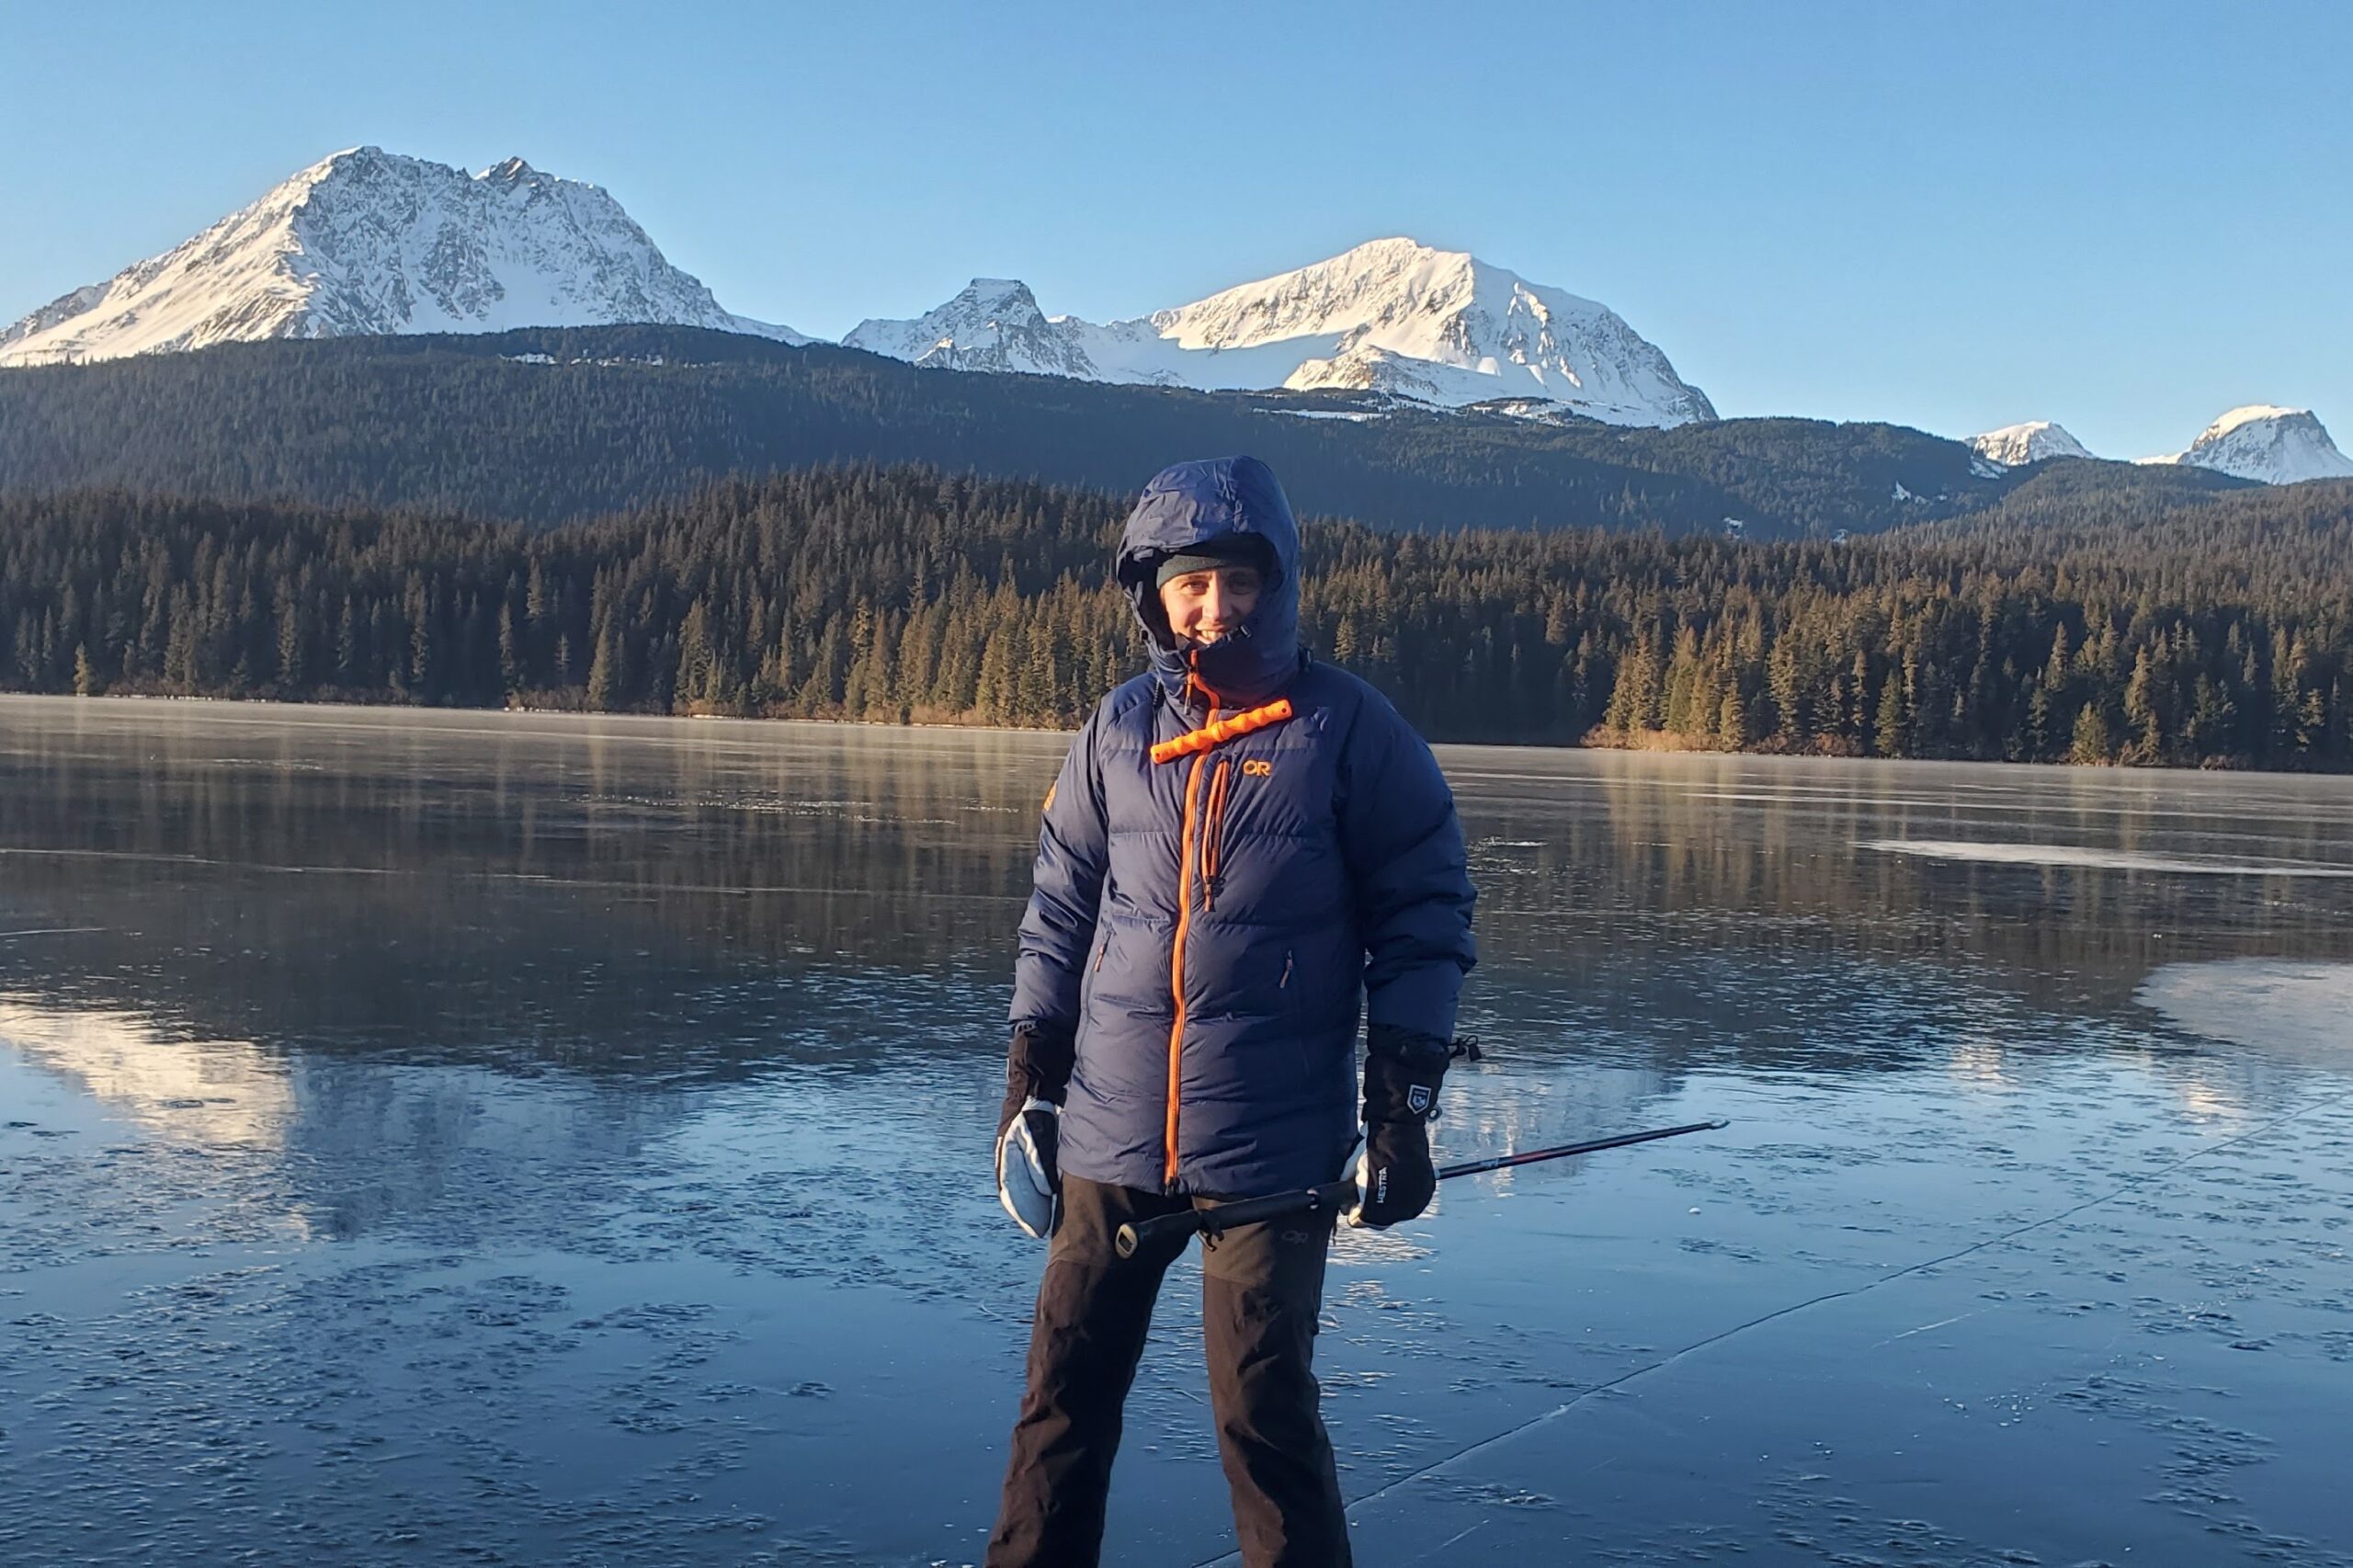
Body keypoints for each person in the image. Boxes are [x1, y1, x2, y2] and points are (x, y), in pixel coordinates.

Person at [985, 455, 1477, 1568]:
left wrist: (1399, 1104)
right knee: (1057, 1406)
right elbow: (1059, 909)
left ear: (1277, 583)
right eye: (1188, 582)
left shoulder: (1345, 728)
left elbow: (1425, 913)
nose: (1211, 605)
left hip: (1270, 1148)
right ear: (1152, 590)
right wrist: (1031, 1073)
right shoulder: (1117, 730)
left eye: (1235, 581)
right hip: (1109, 1133)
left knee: (1264, 1418)